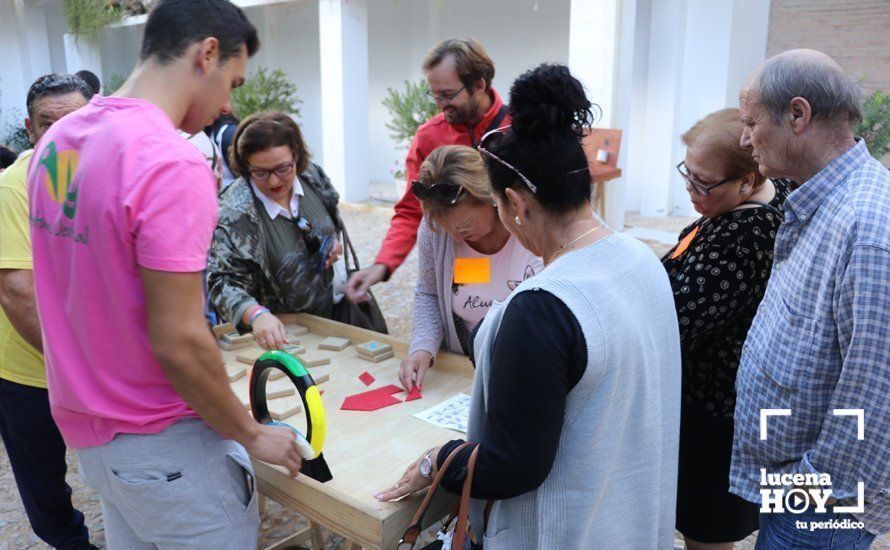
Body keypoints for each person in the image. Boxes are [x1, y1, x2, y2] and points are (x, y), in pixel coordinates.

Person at [26, 1, 303, 547]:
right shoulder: (169, 162)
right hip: (167, 441)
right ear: (207, 54)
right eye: (233, 81)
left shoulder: (58, 141)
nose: (228, 105)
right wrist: (250, 433)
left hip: (95, 435)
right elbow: (178, 337)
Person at [376, 64, 681, 549]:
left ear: (515, 203)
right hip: (633, 521)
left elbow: (511, 466)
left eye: (496, 207)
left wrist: (434, 460)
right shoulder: (642, 260)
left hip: (566, 533)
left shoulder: (539, 307)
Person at [731, 49, 890, 547]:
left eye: (751, 122)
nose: (743, 139)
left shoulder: (866, 227)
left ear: (798, 115)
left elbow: (874, 397)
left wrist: (806, 489)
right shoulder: (822, 200)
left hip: (821, 508)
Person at [662, 108, 789, 550]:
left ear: (748, 181)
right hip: (710, 406)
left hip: (717, 414)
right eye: (688, 175)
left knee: (708, 531)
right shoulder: (752, 202)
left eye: (704, 183)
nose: (692, 191)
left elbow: (675, 322)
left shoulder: (744, 236)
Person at [0, 73, 95, 550]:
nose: (60, 134)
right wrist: (76, 365)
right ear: (29, 130)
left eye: (74, 121)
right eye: (47, 123)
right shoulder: (13, 187)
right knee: (46, 490)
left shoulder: (99, 174)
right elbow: (17, 292)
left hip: (91, 364)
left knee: (117, 468)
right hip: (29, 372)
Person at [345, 38, 510, 302]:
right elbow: (412, 209)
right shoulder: (429, 137)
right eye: (434, 94)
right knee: (468, 312)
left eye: (447, 95)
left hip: (519, 263)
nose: (440, 104)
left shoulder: (518, 129)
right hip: (464, 264)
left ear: (479, 85)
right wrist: (383, 263)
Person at [400, 145, 543, 392]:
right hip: (467, 371)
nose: (455, 235)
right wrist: (423, 346)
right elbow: (429, 292)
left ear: (491, 199)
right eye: (446, 227)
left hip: (532, 369)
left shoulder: (535, 225)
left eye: (464, 225)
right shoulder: (435, 232)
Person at [207, 110, 344, 350]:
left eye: (283, 169)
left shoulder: (312, 176)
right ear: (244, 166)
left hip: (332, 323)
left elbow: (331, 220)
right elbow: (222, 283)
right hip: (279, 339)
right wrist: (256, 314)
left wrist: (332, 243)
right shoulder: (234, 212)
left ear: (297, 158)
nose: (273, 182)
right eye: (260, 172)